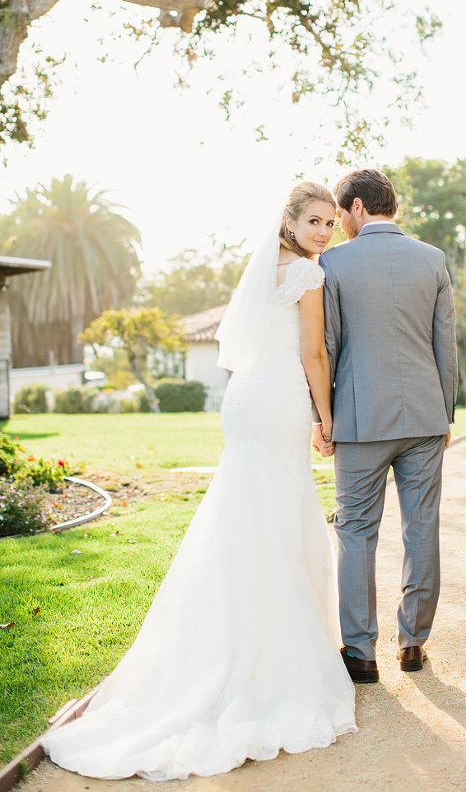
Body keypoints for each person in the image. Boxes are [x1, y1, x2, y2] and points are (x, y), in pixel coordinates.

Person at [43, 182, 357, 780]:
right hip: (280, 401)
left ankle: (221, 643)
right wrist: (328, 417)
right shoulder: (309, 278)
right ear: (289, 222)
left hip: (244, 399)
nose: (322, 232)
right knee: (277, 516)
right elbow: (314, 356)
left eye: (327, 222)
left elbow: (243, 347)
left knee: (245, 512)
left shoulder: (261, 270)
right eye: (313, 222)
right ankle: (271, 664)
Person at [314, 169, 457, 683]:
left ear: (355, 207)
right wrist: (446, 413)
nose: (335, 222)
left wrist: (321, 418)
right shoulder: (433, 259)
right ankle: (414, 642)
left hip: (358, 419)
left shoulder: (333, 263)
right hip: (424, 415)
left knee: (355, 531)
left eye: (338, 211)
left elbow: (327, 346)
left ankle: (360, 652)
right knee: (421, 528)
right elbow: (447, 345)